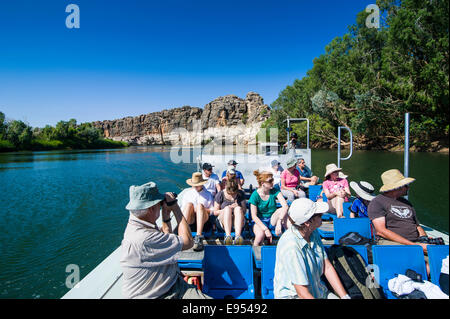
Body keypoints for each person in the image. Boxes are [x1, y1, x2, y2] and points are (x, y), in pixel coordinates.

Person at [120, 181, 211, 299]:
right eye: (159, 203)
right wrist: (175, 207)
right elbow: (188, 241)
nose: (161, 205)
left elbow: (166, 236)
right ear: (151, 209)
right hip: (160, 295)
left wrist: (166, 214)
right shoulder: (144, 238)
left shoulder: (137, 225)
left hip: (168, 284)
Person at [274, 198, 350, 299]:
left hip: (319, 292)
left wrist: (345, 297)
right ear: (307, 222)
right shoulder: (291, 247)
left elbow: (326, 267)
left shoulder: (313, 232)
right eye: (319, 215)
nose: (322, 215)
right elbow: (302, 293)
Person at [368, 169, 433, 256]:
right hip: (390, 242)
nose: (408, 187)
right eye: (405, 185)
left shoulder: (406, 203)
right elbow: (381, 231)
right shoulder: (377, 202)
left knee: (440, 257)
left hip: (414, 242)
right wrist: (414, 246)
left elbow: (417, 225)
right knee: (426, 264)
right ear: (397, 187)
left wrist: (424, 239)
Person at [249, 170, 289, 246]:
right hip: (260, 221)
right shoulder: (255, 195)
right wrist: (265, 229)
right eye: (270, 181)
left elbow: (285, 206)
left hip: (272, 219)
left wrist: (279, 222)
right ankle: (256, 256)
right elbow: (254, 216)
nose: (272, 182)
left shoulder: (274, 191)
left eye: (272, 180)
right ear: (262, 183)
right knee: (259, 236)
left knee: (282, 210)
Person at [181, 172, 215, 251]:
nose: (196, 186)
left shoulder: (208, 194)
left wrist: (201, 209)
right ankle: (184, 233)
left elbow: (213, 211)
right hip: (191, 220)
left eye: (198, 184)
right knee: (189, 205)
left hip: (204, 221)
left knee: (200, 206)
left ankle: (199, 237)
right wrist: (193, 209)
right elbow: (183, 210)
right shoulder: (188, 194)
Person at [213, 178, 246, 245]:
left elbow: (244, 211)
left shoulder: (240, 194)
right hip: (223, 221)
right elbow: (215, 212)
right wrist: (225, 209)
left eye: (234, 194)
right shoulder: (220, 194)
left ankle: (238, 236)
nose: (232, 195)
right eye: (230, 193)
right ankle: (228, 236)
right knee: (227, 209)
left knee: (238, 209)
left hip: (237, 220)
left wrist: (238, 206)